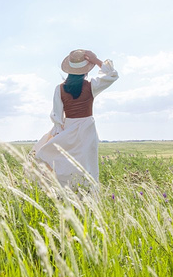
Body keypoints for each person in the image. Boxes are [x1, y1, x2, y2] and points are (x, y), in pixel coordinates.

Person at [32, 49, 119, 189]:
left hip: (68, 128)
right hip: (87, 129)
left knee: (64, 162)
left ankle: (65, 191)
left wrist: (56, 134)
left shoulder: (59, 88)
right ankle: (87, 194)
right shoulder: (92, 85)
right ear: (86, 70)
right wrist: (96, 60)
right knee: (88, 165)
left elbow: (57, 116)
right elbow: (112, 75)